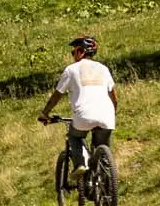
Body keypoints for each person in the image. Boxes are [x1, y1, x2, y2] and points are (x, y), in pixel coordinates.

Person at [37, 36, 116, 181]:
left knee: (74, 136)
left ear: (80, 51)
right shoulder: (104, 69)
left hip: (83, 116)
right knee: (103, 145)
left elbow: (57, 95)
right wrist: (113, 112)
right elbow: (113, 95)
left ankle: (80, 164)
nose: (73, 56)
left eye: (73, 52)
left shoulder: (71, 70)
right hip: (107, 115)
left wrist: (45, 113)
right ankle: (107, 180)